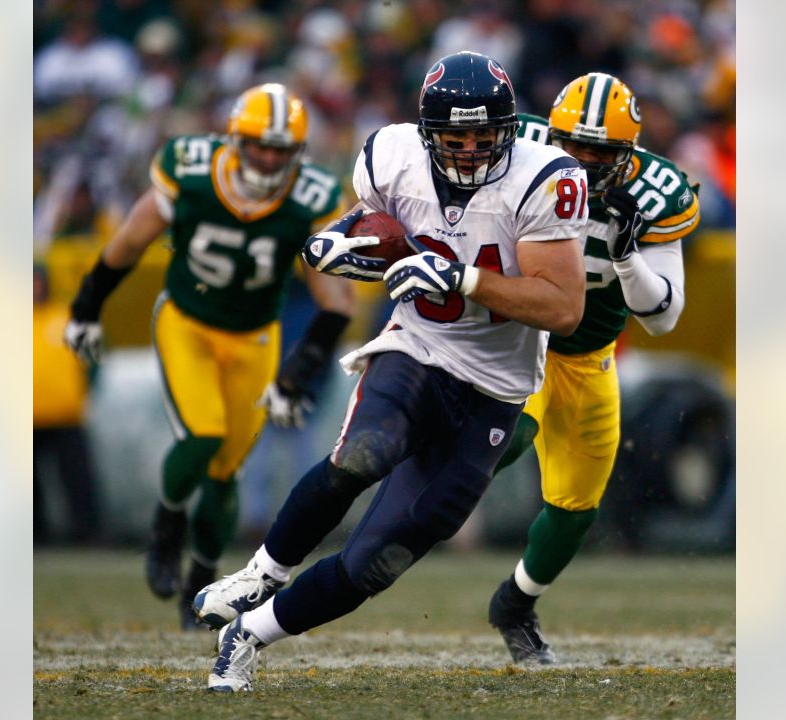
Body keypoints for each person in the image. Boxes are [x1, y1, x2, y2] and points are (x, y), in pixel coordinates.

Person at [191, 51, 589, 692]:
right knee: (363, 455)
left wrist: (464, 277)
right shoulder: (391, 155)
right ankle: (263, 570)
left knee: (379, 560)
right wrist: (337, 238)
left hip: (495, 388)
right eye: (454, 139)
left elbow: (564, 308)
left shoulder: (545, 179)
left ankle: (252, 633)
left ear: (508, 131)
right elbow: (373, 228)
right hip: (418, 346)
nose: (468, 152)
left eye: (483, 138)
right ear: (428, 134)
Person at [64, 83, 355, 630]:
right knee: (201, 436)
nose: (269, 158)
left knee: (224, 475)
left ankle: (201, 572)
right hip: (188, 324)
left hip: (255, 337)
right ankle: (166, 526)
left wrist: (301, 369)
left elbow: (335, 298)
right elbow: (130, 241)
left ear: (297, 152)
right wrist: (86, 305)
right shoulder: (191, 169)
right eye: (258, 145)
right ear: (233, 138)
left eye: (280, 149)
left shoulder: (313, 196)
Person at [485, 72, 700, 664]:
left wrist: (628, 255)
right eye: (570, 145)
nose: (579, 160)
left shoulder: (657, 195)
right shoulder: (516, 150)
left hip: (588, 356)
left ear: (626, 154)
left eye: (598, 150)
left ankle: (515, 605)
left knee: (576, 509)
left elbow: (662, 317)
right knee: (506, 442)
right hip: (520, 339)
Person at [34, 265, 101, 545]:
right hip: (27, 416)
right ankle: (37, 534)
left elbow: (93, 358)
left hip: (66, 413)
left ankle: (88, 532)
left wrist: (84, 390)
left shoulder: (67, 316)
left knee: (77, 478)